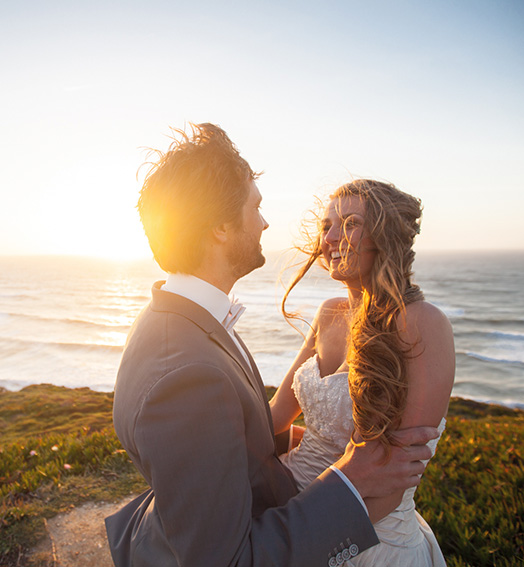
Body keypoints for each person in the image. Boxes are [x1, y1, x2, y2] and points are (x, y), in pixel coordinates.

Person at [105, 124, 440, 567]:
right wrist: (346, 473)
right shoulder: (189, 370)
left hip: (361, 528)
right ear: (221, 227)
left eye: (351, 223)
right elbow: (225, 559)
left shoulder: (181, 321)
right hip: (315, 524)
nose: (265, 222)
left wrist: (305, 441)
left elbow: (255, 425)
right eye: (256, 207)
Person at [270, 179, 455, 566]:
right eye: (326, 226)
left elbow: (387, 483)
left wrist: (299, 542)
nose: (332, 237)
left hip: (365, 536)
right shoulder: (329, 313)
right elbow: (274, 418)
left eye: (350, 223)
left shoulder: (422, 324)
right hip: (288, 502)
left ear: (384, 236)